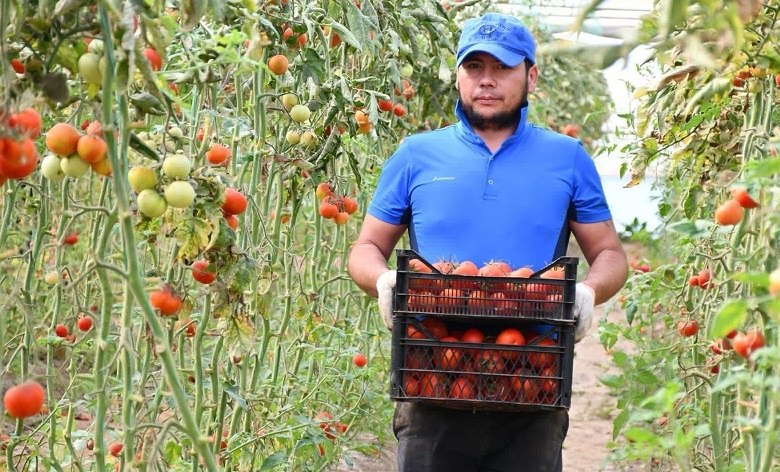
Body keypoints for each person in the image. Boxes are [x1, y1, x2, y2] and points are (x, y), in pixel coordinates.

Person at [346, 11, 628, 472]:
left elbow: (610, 253)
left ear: (531, 76)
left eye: (502, 67)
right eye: (474, 67)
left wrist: (588, 292)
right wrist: (382, 280)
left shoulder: (567, 157)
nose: (487, 80)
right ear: (458, 76)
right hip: (431, 376)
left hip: (534, 379)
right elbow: (366, 248)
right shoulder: (416, 155)